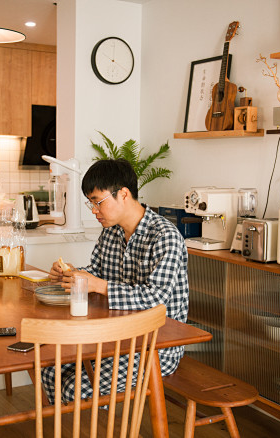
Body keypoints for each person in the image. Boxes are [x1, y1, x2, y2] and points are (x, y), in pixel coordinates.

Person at [45, 158, 189, 403]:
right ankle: (91, 423)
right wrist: (71, 274)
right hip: (114, 335)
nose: (93, 210)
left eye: (98, 201)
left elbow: (156, 299)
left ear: (123, 194)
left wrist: (96, 284)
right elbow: (97, 271)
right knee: (49, 369)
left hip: (154, 346)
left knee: (74, 388)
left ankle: (97, 423)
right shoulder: (111, 231)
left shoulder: (165, 236)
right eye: (90, 202)